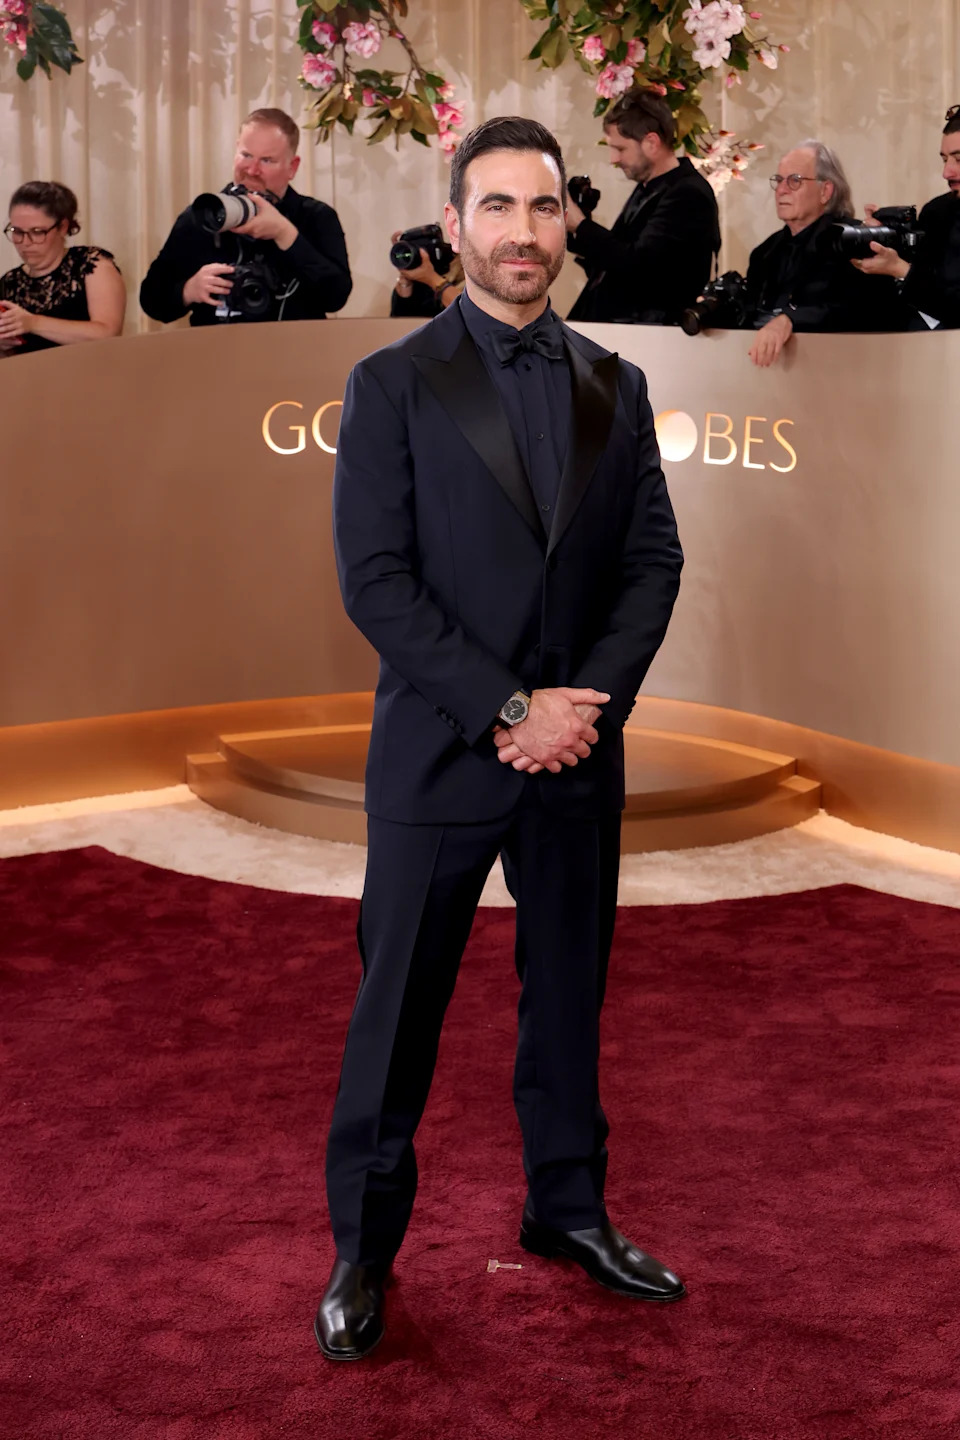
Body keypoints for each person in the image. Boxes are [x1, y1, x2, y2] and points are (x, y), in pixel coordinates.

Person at [316, 115, 686, 1363]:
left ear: (567, 221)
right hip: (440, 751)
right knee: (397, 1012)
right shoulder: (390, 382)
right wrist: (509, 708)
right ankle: (363, 1250)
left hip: (578, 755)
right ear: (455, 221)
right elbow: (376, 582)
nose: (523, 231)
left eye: (543, 206)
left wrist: (583, 708)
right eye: (497, 206)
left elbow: (652, 563)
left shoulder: (617, 383)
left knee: (570, 997)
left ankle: (567, 1212)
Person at [139, 107, 351, 327]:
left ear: (292, 167)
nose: (252, 170)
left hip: (295, 346)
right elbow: (151, 301)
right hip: (215, 346)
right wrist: (188, 290)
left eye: (267, 160)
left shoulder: (316, 217)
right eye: (246, 155)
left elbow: (335, 297)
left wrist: (285, 234)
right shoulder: (204, 215)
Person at [744, 140, 905, 368]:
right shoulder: (765, 252)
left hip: (848, 370)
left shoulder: (856, 241)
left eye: (794, 180)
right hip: (768, 373)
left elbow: (861, 311)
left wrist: (790, 320)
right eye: (779, 180)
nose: (781, 190)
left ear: (825, 191)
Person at [565, 90, 720, 325]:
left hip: (651, 333)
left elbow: (640, 267)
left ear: (651, 142)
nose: (613, 159)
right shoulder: (649, 186)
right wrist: (577, 230)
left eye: (620, 149)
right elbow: (616, 260)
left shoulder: (688, 193)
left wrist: (581, 225)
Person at [854, 104, 960, 329]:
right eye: (944, 160)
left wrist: (900, 269)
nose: (946, 173)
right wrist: (881, 242)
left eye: (958, 159)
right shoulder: (936, 212)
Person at [0, 181, 125, 355]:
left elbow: (108, 334)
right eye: (17, 232)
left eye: (37, 232)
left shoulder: (91, 264)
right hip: (32, 372)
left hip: (90, 370)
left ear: (62, 227)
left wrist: (33, 323)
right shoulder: (10, 282)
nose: (25, 242)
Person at [390, 234, 463, 318]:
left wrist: (432, 278)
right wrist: (405, 284)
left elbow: (469, 312)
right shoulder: (420, 279)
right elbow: (399, 322)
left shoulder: (467, 274)